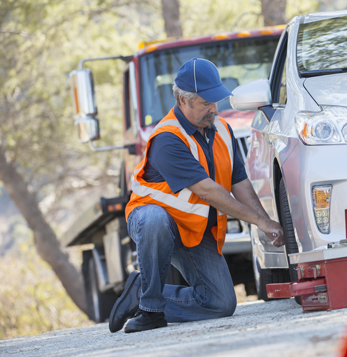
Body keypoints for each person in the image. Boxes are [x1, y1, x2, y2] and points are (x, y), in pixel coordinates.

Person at [109, 58, 284, 333]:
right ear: (182, 100)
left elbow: (240, 182)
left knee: (220, 304)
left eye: (215, 101)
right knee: (154, 220)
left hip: (194, 229)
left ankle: (139, 292)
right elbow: (207, 190)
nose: (213, 109)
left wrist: (266, 223)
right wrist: (259, 222)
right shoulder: (168, 138)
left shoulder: (223, 130)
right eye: (205, 103)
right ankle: (151, 308)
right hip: (157, 223)